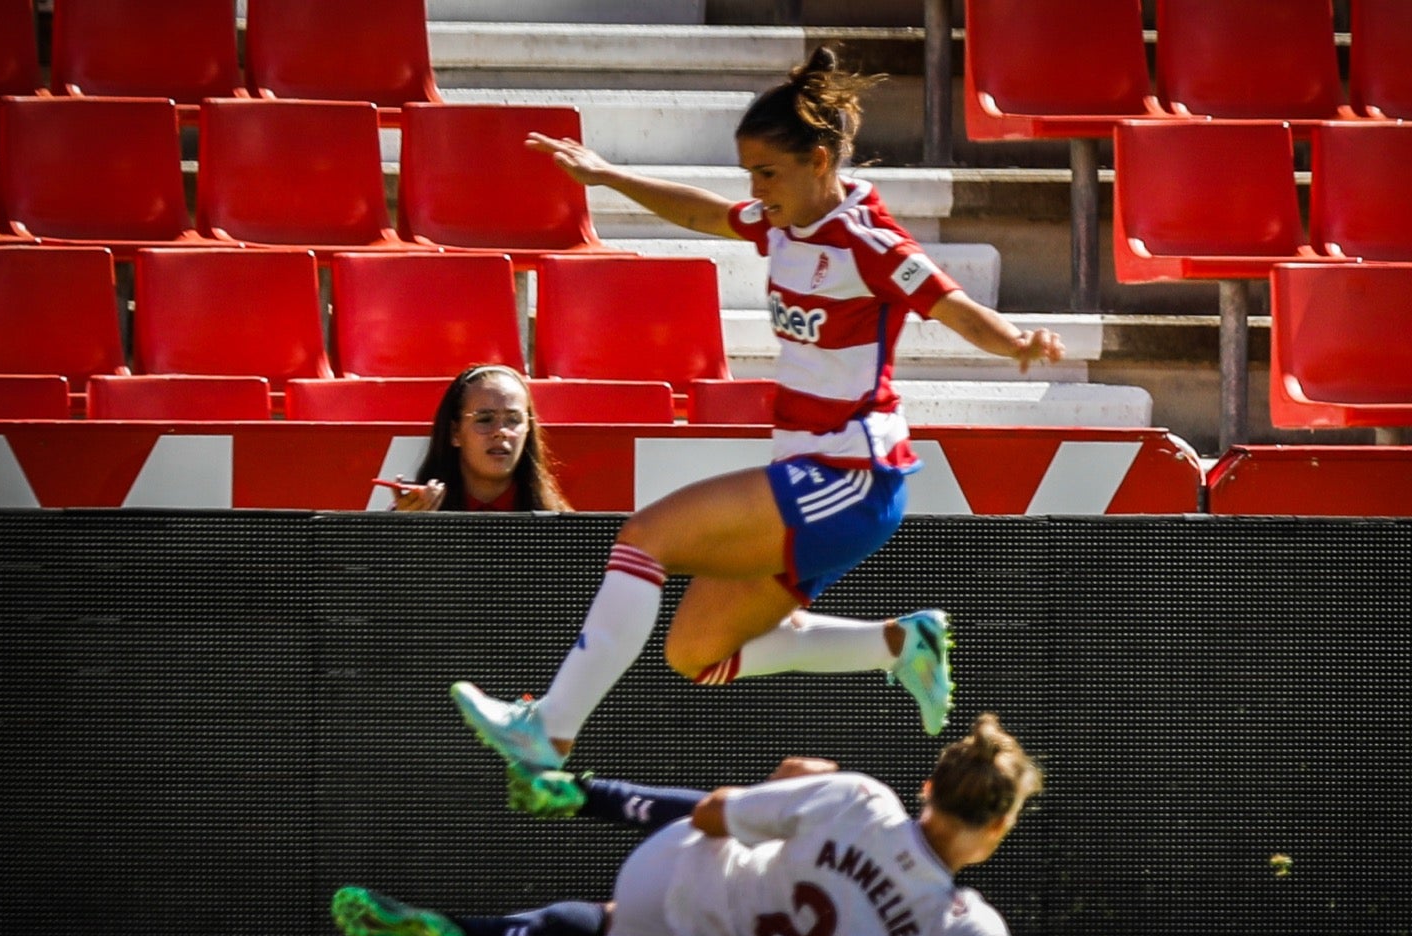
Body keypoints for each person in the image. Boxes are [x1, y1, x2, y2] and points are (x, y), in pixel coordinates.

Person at [448, 47, 1067, 802]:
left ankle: (548, 730)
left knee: (644, 540)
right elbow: (704, 212)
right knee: (695, 653)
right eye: (748, 174)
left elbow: (954, 306)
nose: (754, 191)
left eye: (766, 174)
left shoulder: (867, 242)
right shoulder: (784, 224)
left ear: (816, 161)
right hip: (823, 483)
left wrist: (1020, 344)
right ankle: (901, 643)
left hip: (851, 477)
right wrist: (608, 176)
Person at [333, 714, 1270, 936]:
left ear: (927, 786)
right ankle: (483, 917)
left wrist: (782, 790)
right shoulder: (963, 933)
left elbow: (709, 814)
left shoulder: (862, 799)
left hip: (674, 885)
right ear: (996, 832)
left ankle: (566, 801)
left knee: (776, 794)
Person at [383, 364, 571, 513]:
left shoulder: (561, 527)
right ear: (455, 433)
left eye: (514, 420)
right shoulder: (413, 512)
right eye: (485, 419)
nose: (501, 431)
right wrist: (406, 530)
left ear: (529, 430)